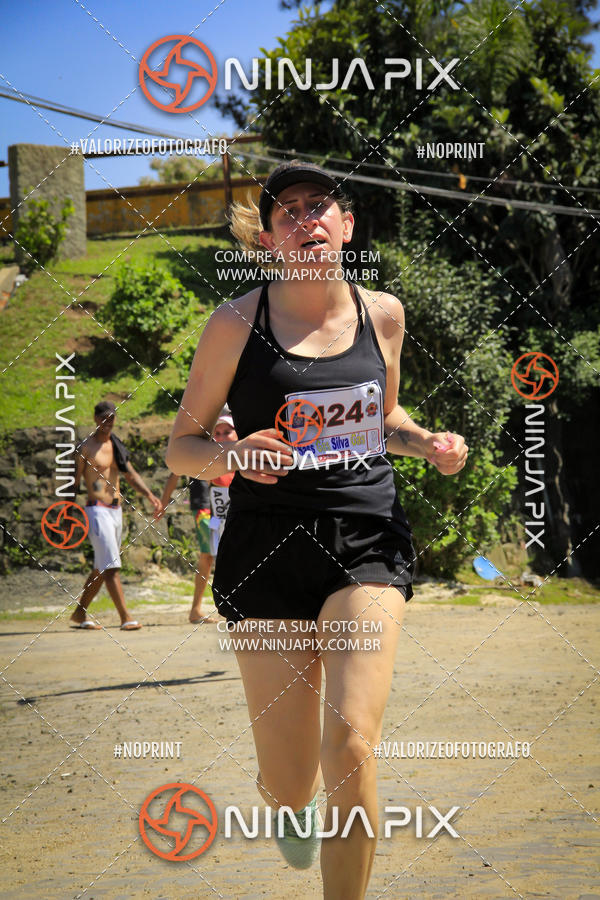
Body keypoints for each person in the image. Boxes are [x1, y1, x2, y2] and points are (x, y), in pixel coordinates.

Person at [166, 160, 468, 898]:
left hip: (365, 538)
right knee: (290, 779)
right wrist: (233, 454)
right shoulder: (237, 322)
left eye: (319, 205)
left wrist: (426, 441)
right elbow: (182, 447)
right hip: (264, 553)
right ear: (269, 240)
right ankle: (288, 808)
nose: (306, 218)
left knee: (352, 743)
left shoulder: (383, 314)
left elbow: (383, 417)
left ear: (346, 226)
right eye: (287, 211)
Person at [70, 400, 162, 631]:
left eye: (111, 418)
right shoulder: (86, 447)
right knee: (111, 565)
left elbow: (130, 474)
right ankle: (125, 617)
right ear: (95, 419)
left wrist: (150, 495)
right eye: (103, 418)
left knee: (102, 565)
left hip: (116, 511)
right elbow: (74, 482)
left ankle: (79, 613)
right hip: (97, 510)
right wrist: (67, 510)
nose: (107, 422)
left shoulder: (116, 445)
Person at [157, 412, 237, 623]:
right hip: (206, 510)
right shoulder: (201, 448)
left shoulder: (235, 454)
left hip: (227, 510)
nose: (221, 435)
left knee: (224, 555)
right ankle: (196, 609)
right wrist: (164, 502)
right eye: (218, 432)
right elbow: (175, 472)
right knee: (208, 556)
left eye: (227, 432)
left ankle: (228, 604)